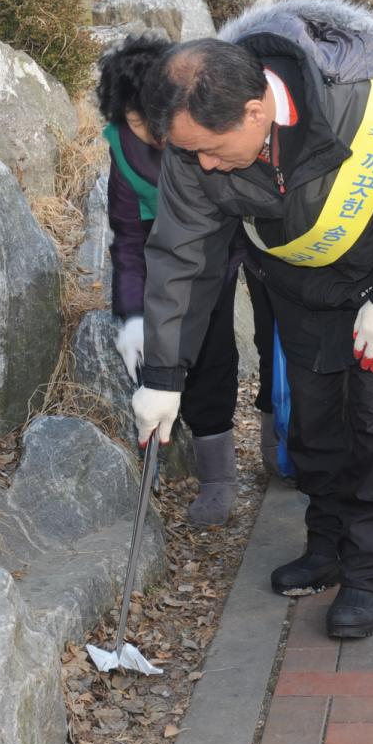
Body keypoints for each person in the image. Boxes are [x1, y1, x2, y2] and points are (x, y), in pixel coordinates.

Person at [130, 0, 373, 640]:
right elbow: (182, 256)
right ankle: (328, 542)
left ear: (257, 112)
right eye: (189, 152)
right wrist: (164, 374)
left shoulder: (372, 99)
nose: (202, 165)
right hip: (300, 282)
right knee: (314, 422)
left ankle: (369, 572)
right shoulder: (194, 134)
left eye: (211, 151)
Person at [97, 35, 247, 526]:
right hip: (162, 246)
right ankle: (207, 474)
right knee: (174, 353)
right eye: (137, 123)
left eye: (153, 121)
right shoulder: (124, 144)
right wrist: (134, 315)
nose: (151, 135)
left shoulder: (199, 131)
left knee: (217, 345)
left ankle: (257, 449)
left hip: (225, 242)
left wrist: (199, 300)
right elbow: (127, 238)